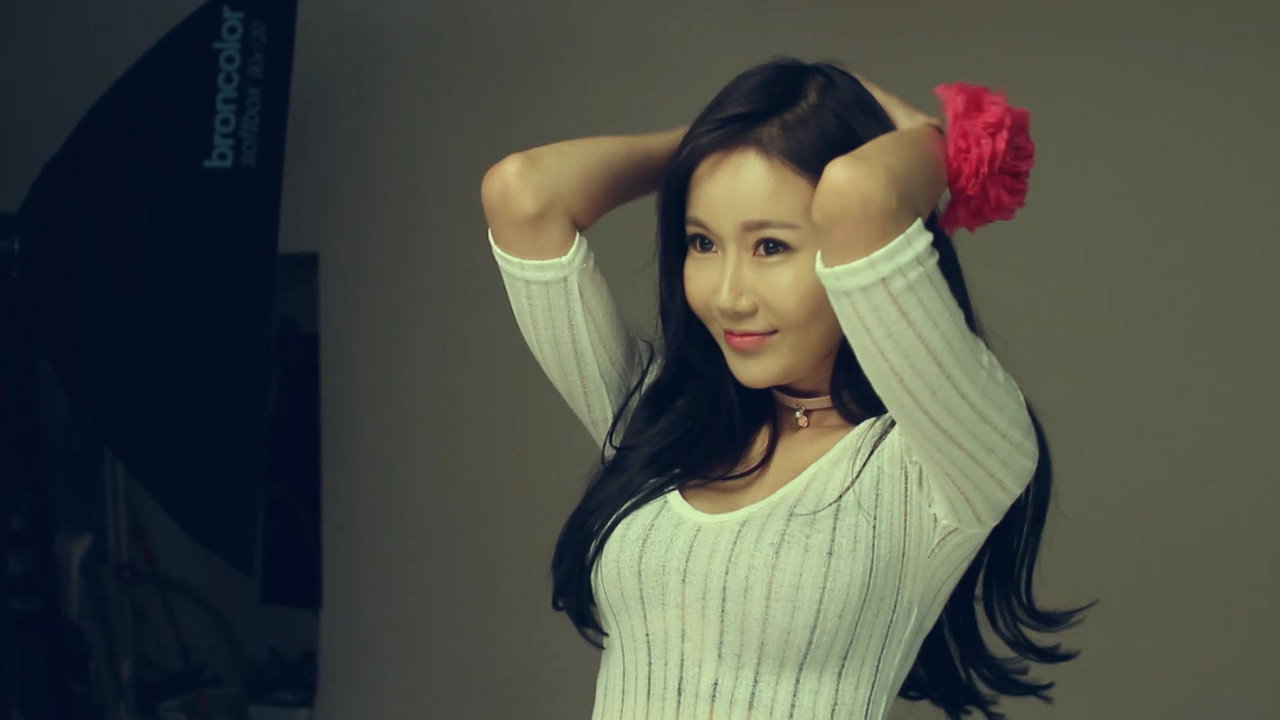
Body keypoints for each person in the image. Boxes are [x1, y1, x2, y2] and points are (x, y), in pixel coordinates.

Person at [480, 56, 1093, 720]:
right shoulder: (656, 423)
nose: (728, 296)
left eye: (770, 246)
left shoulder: (945, 460)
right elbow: (523, 193)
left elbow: (862, 194)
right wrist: (719, 141)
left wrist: (934, 140)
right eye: (702, 243)